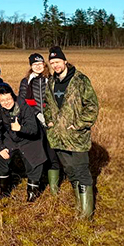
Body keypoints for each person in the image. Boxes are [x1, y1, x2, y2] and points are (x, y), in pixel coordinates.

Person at [44, 47, 100, 218]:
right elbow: (47, 105)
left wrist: (78, 125)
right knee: (70, 171)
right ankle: (79, 205)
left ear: (65, 61)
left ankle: (86, 213)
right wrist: (50, 121)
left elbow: (92, 106)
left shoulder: (80, 80)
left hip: (76, 137)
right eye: (52, 63)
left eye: (57, 62)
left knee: (82, 171)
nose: (55, 65)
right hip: (58, 136)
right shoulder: (51, 82)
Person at [0, 84, 47, 201]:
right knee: (2, 159)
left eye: (8, 99)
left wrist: (20, 128)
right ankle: (4, 190)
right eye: (2, 100)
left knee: (35, 161)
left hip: (30, 138)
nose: (6, 102)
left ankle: (32, 193)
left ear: (13, 96)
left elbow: (34, 129)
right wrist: (0, 148)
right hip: (11, 138)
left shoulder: (24, 106)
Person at [19, 53, 59, 194]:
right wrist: (37, 114)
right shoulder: (26, 82)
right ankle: (37, 181)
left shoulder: (52, 79)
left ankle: (53, 188)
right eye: (34, 64)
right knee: (37, 153)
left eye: (40, 63)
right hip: (34, 122)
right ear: (31, 66)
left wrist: (50, 117)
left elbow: (57, 100)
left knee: (52, 153)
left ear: (44, 64)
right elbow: (22, 102)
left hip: (51, 122)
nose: (37, 66)